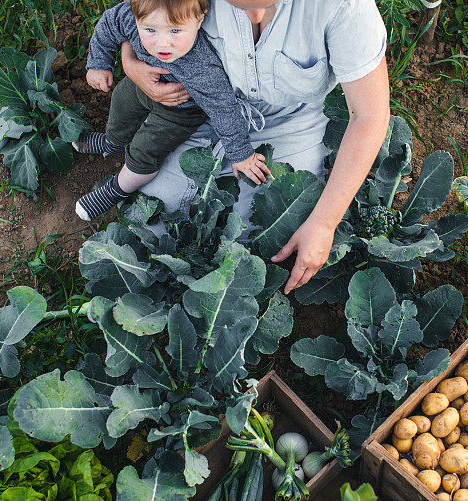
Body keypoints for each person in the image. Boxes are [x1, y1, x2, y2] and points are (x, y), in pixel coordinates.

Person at [119, 0, 390, 294]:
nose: (255, 16)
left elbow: (369, 115)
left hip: (290, 118)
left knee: (259, 237)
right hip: (200, 105)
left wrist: (324, 224)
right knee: (152, 226)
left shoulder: (344, 7)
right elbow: (136, 12)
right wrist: (130, 62)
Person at [72, 0, 270, 221]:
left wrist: (241, 154)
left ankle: (115, 190)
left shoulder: (202, 66)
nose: (162, 44)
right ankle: (114, 142)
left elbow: (224, 109)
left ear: (199, 19)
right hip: (143, 84)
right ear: (136, 17)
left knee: (146, 148)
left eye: (175, 30)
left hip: (180, 111)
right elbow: (109, 24)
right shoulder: (128, 15)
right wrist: (99, 63)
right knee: (121, 100)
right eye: (150, 30)